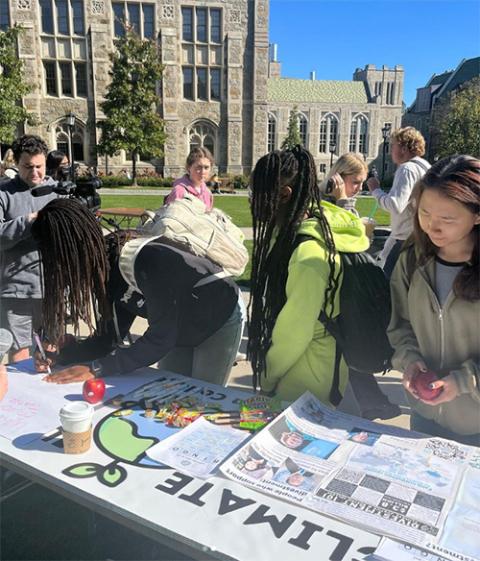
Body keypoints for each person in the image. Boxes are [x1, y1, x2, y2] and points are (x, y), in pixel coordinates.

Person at [32, 198, 243, 386]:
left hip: (217, 320)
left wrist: (95, 368)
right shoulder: (101, 270)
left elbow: (160, 339)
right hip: (179, 326)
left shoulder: (146, 260)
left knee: (200, 399)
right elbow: (108, 340)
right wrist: (63, 355)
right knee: (170, 391)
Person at [248, 146, 369, 404]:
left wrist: (266, 379)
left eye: (257, 193)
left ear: (283, 194)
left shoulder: (308, 254)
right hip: (305, 369)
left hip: (306, 380)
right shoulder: (289, 233)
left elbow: (295, 333)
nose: (251, 200)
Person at [388, 155, 480, 446]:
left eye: (447, 219)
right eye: (425, 213)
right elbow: (400, 325)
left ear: (477, 215)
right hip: (425, 415)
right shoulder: (413, 261)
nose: (432, 227)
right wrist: (410, 361)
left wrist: (464, 381)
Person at [322, 153, 401, 420]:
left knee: (349, 348)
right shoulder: (327, 205)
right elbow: (340, 237)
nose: (358, 187)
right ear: (338, 177)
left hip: (350, 287)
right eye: (355, 181)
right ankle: (370, 402)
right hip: (337, 288)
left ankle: (371, 401)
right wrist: (343, 202)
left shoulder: (347, 204)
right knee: (345, 347)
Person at [0, 135, 58, 362]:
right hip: (17, 287)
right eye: (28, 167)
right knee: (21, 350)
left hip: (52, 286)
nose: (35, 172)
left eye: (39, 166)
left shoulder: (56, 190)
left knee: (51, 348)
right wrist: (30, 221)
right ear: (16, 163)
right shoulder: (4, 194)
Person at [367, 127, 431, 278]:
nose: (390, 151)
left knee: (386, 284)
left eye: (393, 146)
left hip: (403, 241)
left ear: (403, 147)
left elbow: (396, 205)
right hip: (419, 238)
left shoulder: (406, 169)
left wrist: (375, 190)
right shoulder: (426, 167)